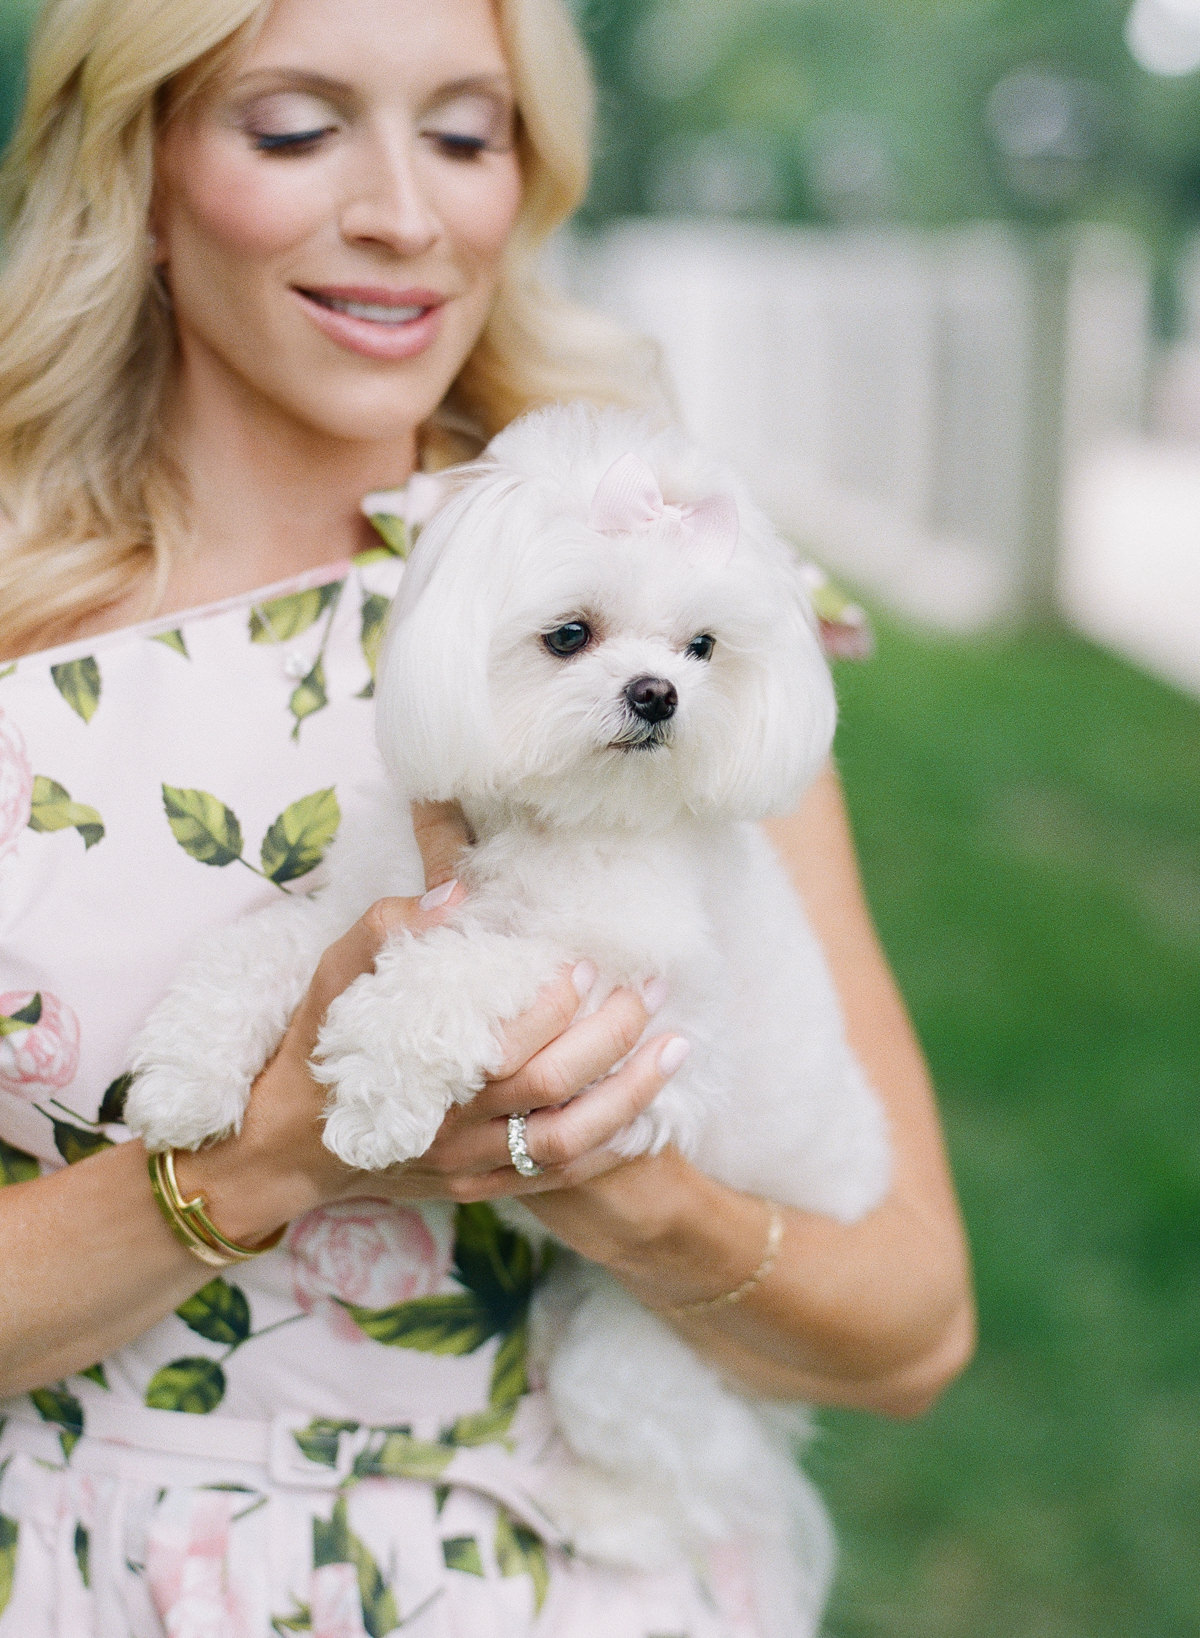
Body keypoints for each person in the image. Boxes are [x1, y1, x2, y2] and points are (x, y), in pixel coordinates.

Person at [0, 0, 975, 1631]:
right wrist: (259, 1159)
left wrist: (640, 1198)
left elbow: (915, 1329)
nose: (405, 210)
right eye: (296, 127)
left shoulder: (686, 598)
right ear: (139, 171)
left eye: (465, 133)